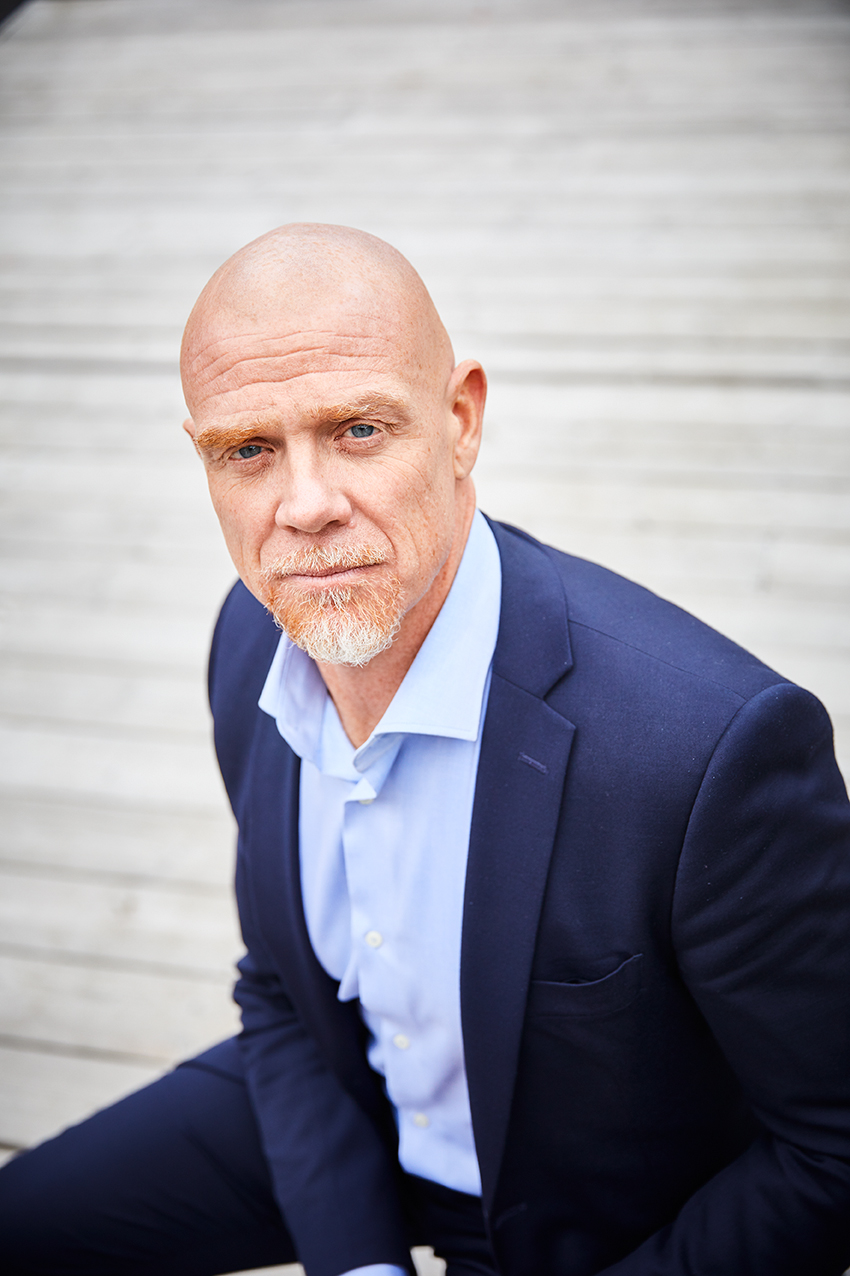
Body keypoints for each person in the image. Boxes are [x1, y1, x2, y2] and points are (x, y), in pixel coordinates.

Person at [2, 223, 850, 1276]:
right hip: (352, 1098)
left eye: (358, 429)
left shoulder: (709, 750)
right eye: (248, 450)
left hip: (600, 1218)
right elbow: (282, 985)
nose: (305, 507)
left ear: (460, 420)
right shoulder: (250, 639)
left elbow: (831, 1147)